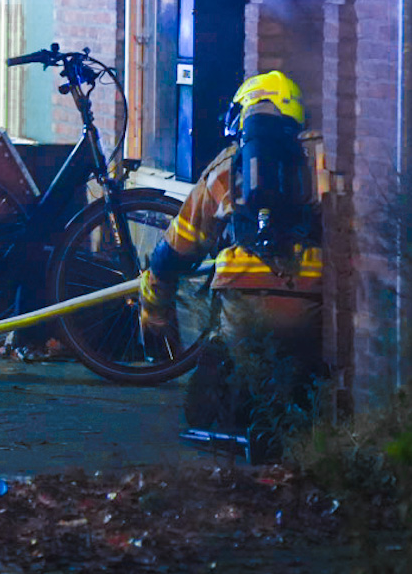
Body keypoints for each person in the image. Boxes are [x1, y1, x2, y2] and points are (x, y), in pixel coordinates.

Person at [138, 70, 324, 441]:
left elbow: (173, 254)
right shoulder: (322, 161)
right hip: (310, 314)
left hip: (243, 316)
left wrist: (153, 311)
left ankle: (239, 426)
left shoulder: (223, 170)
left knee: (205, 410)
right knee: (306, 386)